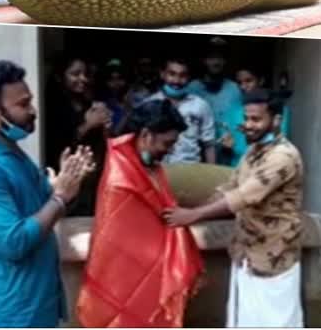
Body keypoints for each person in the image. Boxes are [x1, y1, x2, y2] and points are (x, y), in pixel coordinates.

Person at [162, 88, 304, 328]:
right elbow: (229, 186)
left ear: (277, 120)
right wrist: (188, 211)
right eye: (246, 118)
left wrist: (193, 215)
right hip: (247, 252)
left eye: (256, 119)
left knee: (277, 321)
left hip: (274, 256)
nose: (248, 125)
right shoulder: (253, 151)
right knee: (245, 319)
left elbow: (243, 196)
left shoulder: (284, 156)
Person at [0, 60, 95, 327]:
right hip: (10, 314)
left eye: (30, 101)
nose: (32, 110)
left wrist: (66, 181)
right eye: (22, 104)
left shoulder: (14, 152)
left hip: (39, 304)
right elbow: (13, 242)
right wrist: (59, 198)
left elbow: (44, 208)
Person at [76, 100, 204, 327]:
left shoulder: (150, 166)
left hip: (154, 277)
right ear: (146, 135)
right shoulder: (119, 170)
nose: (170, 150)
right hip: (121, 276)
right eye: (167, 143)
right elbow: (123, 231)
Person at [44, 56, 111, 215]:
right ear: (60, 77)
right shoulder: (52, 105)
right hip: (67, 180)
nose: (83, 79)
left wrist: (106, 125)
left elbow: (103, 142)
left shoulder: (88, 102)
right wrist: (87, 125)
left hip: (92, 176)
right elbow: (55, 143)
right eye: (75, 74)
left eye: (85, 74)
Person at [145, 57, 216, 164]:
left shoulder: (200, 105)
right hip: (159, 169)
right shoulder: (150, 104)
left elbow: (209, 144)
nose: (177, 81)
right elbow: (143, 143)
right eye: (172, 74)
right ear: (162, 74)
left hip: (190, 170)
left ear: (189, 77)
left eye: (183, 75)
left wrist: (212, 174)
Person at [187, 38, 245, 167]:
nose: (216, 62)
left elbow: (241, 123)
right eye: (211, 58)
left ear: (225, 61)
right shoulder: (192, 89)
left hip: (229, 158)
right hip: (197, 158)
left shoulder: (234, 89)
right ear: (204, 60)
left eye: (220, 58)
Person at [99, 58, 130, 133]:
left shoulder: (132, 97)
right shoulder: (103, 105)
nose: (116, 84)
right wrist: (128, 113)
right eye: (111, 79)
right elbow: (113, 133)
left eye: (120, 78)